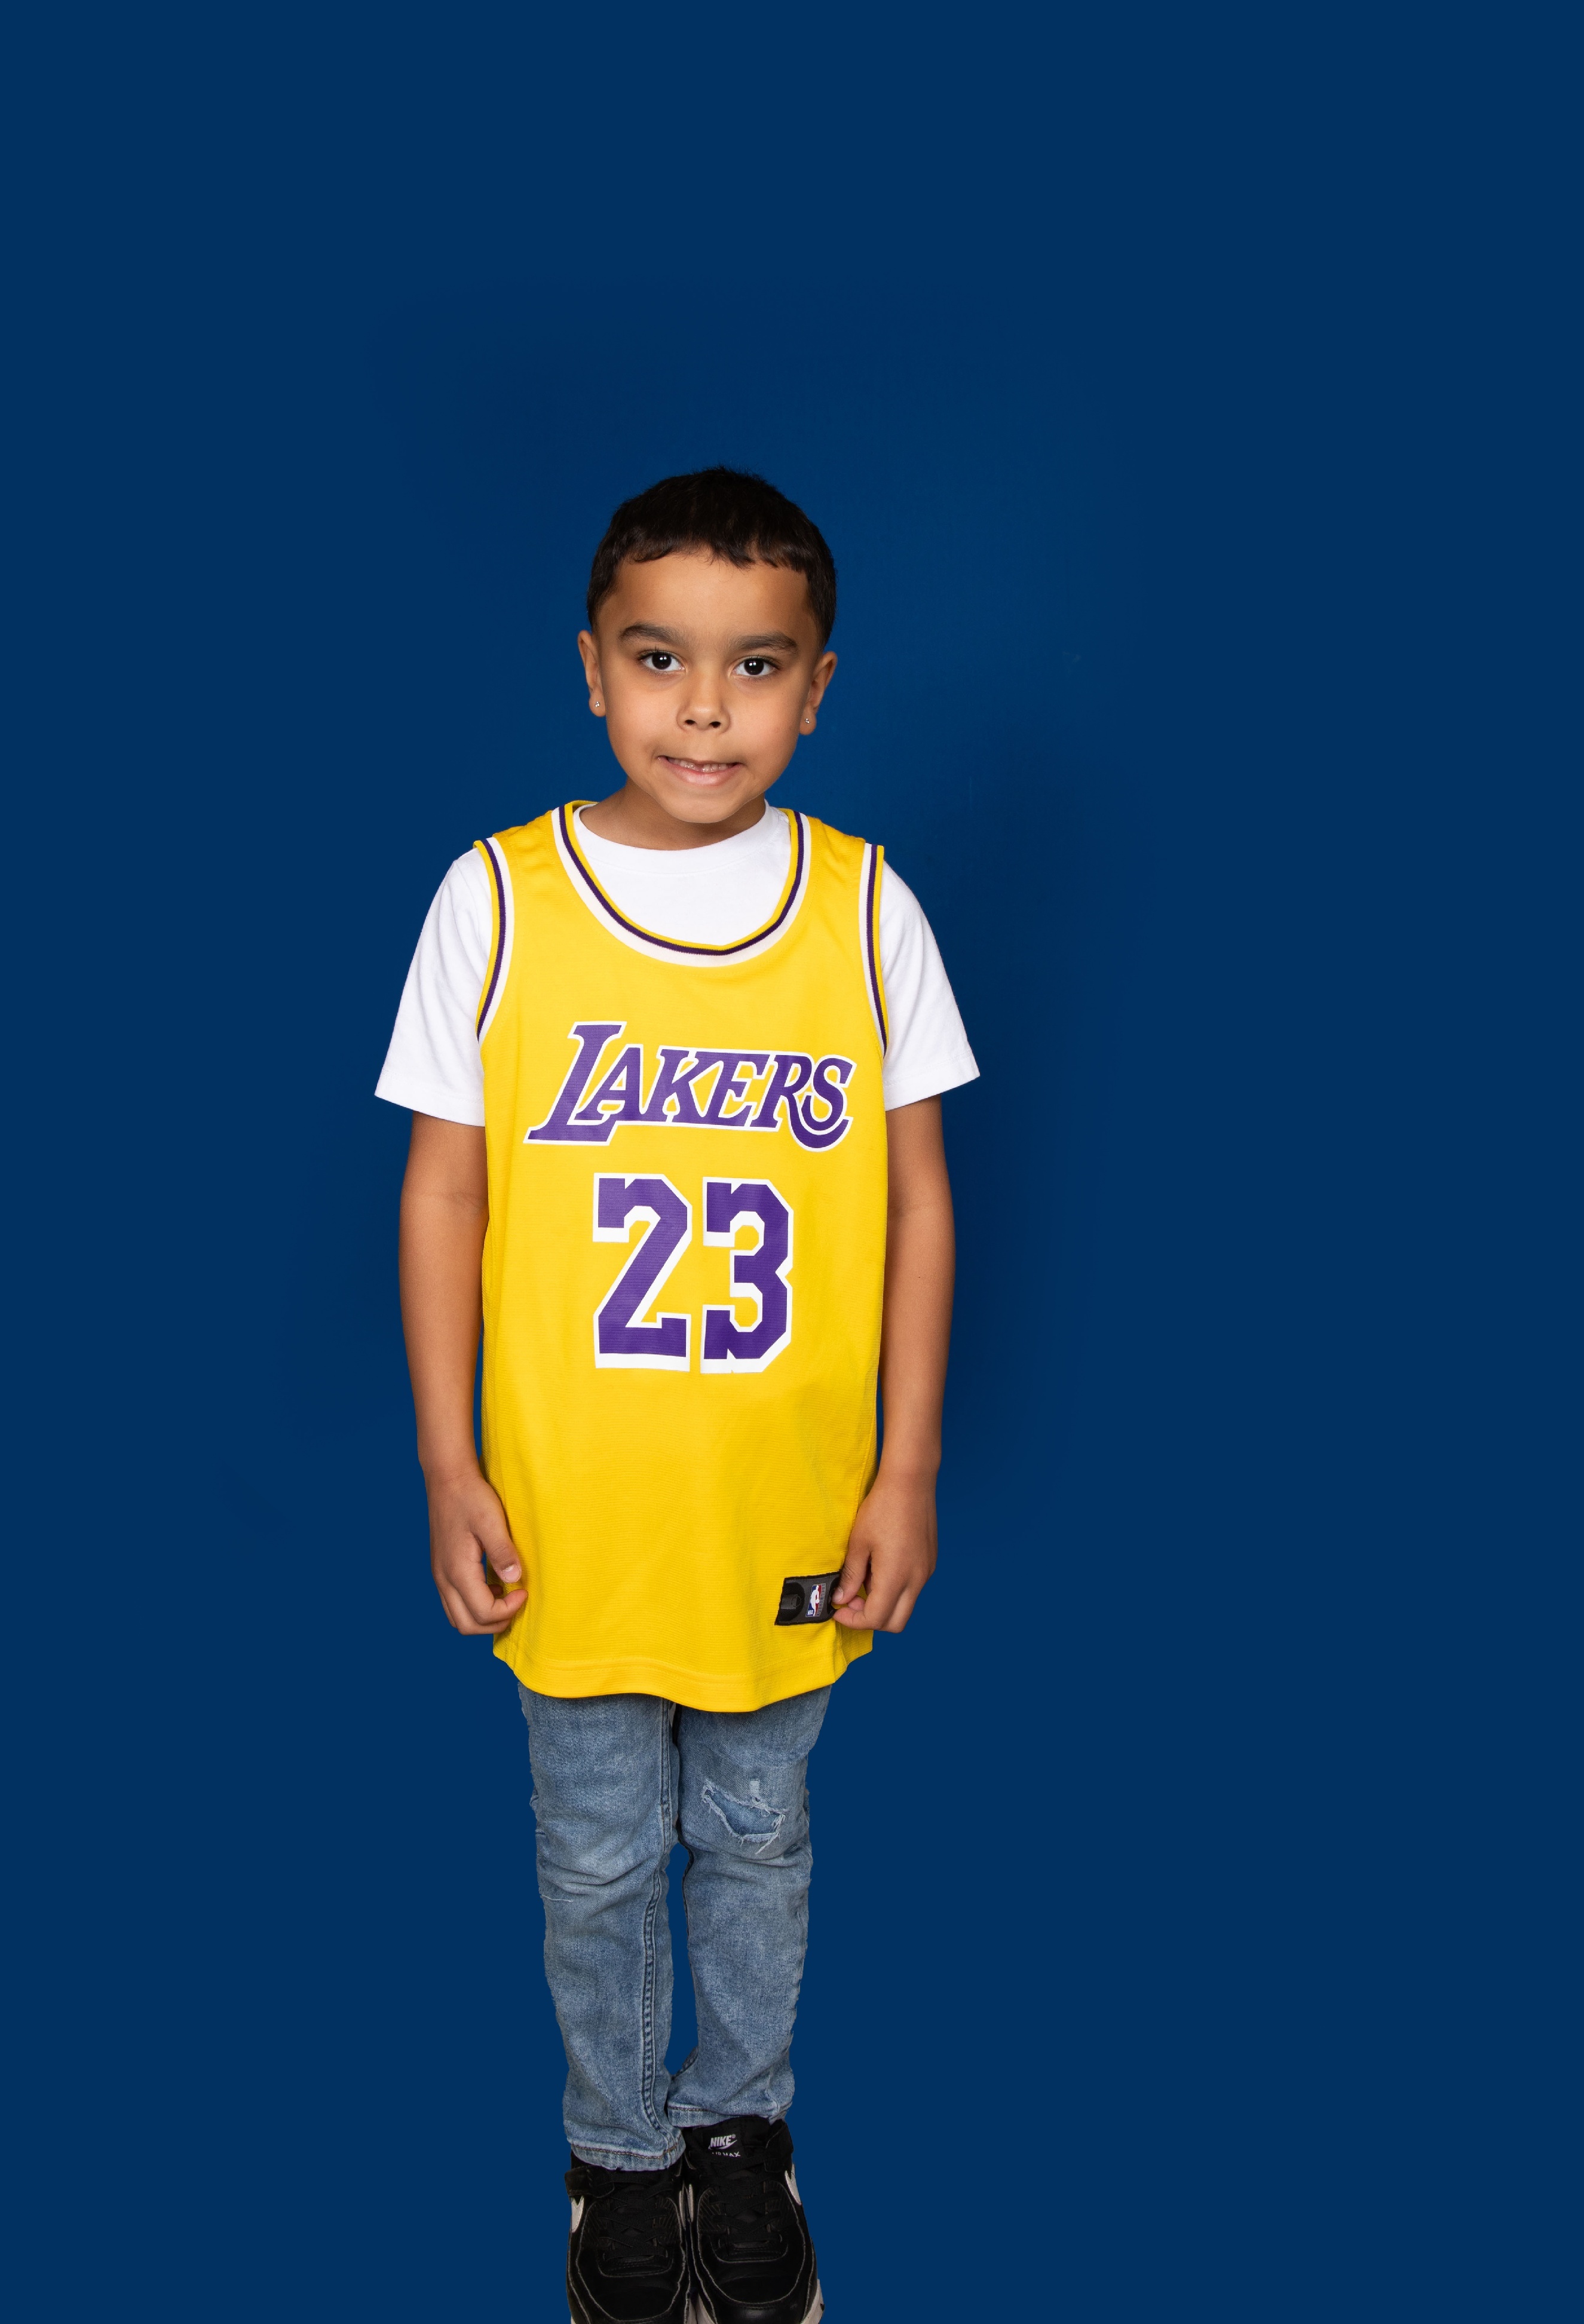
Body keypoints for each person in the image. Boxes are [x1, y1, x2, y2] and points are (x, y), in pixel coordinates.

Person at [377, 468, 977, 2324]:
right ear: (590, 668)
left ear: (816, 688)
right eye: (659, 659)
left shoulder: (862, 907)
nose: (703, 708)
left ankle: (739, 2126)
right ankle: (613, 2150)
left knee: (759, 1840)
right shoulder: (497, 895)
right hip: (572, 1507)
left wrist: (905, 1468)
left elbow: (918, 1199)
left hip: (784, 1508)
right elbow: (447, 1190)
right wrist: (446, 1458)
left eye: (754, 666)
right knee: (592, 1855)